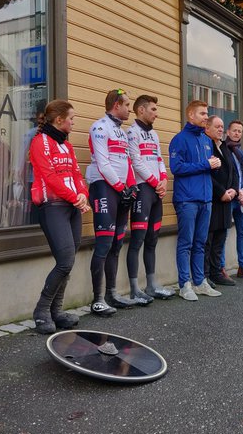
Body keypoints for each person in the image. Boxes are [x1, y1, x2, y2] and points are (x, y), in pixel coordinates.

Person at [30, 99, 90, 334]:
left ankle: (56, 311)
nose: (74, 122)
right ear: (59, 120)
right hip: (52, 206)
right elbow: (50, 177)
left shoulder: (67, 145)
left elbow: (76, 174)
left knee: (68, 262)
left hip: (72, 207)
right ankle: (41, 311)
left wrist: (83, 195)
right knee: (65, 261)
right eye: (71, 119)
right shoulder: (40, 142)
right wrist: (75, 197)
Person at [86, 89, 140, 316]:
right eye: (127, 105)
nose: (129, 109)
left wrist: (131, 186)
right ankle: (97, 300)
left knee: (117, 244)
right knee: (104, 244)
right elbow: (102, 163)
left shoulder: (121, 132)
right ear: (116, 105)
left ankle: (112, 294)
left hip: (120, 189)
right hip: (103, 187)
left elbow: (127, 162)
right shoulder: (100, 127)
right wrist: (120, 186)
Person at [169, 100, 222, 301]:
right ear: (191, 115)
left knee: (200, 243)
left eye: (207, 113)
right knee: (186, 243)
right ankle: (184, 285)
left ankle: (199, 282)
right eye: (202, 113)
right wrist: (206, 164)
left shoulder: (206, 140)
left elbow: (205, 167)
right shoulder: (179, 139)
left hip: (206, 199)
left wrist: (214, 165)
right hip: (187, 200)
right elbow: (176, 168)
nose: (206, 117)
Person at [126, 94, 175, 302]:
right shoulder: (131, 132)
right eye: (153, 109)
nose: (157, 113)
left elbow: (159, 159)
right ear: (141, 110)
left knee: (152, 239)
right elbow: (135, 161)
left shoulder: (153, 134)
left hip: (156, 190)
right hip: (143, 189)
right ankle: (134, 289)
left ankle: (152, 285)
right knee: (137, 239)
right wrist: (155, 183)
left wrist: (163, 180)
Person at [204, 115, 239, 287]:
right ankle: (205, 275)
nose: (220, 129)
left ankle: (217, 272)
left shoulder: (225, 147)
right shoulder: (205, 145)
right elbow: (206, 174)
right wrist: (221, 192)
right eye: (216, 126)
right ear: (207, 128)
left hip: (227, 200)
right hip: (213, 199)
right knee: (208, 240)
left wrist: (234, 190)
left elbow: (233, 171)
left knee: (220, 239)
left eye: (221, 126)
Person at [222, 120, 243, 279]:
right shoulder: (222, 149)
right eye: (234, 130)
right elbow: (223, 176)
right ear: (228, 132)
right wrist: (235, 191)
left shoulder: (242, 153)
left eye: (239, 131)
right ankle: (221, 268)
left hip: (242, 199)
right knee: (224, 233)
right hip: (228, 199)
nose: (237, 133)